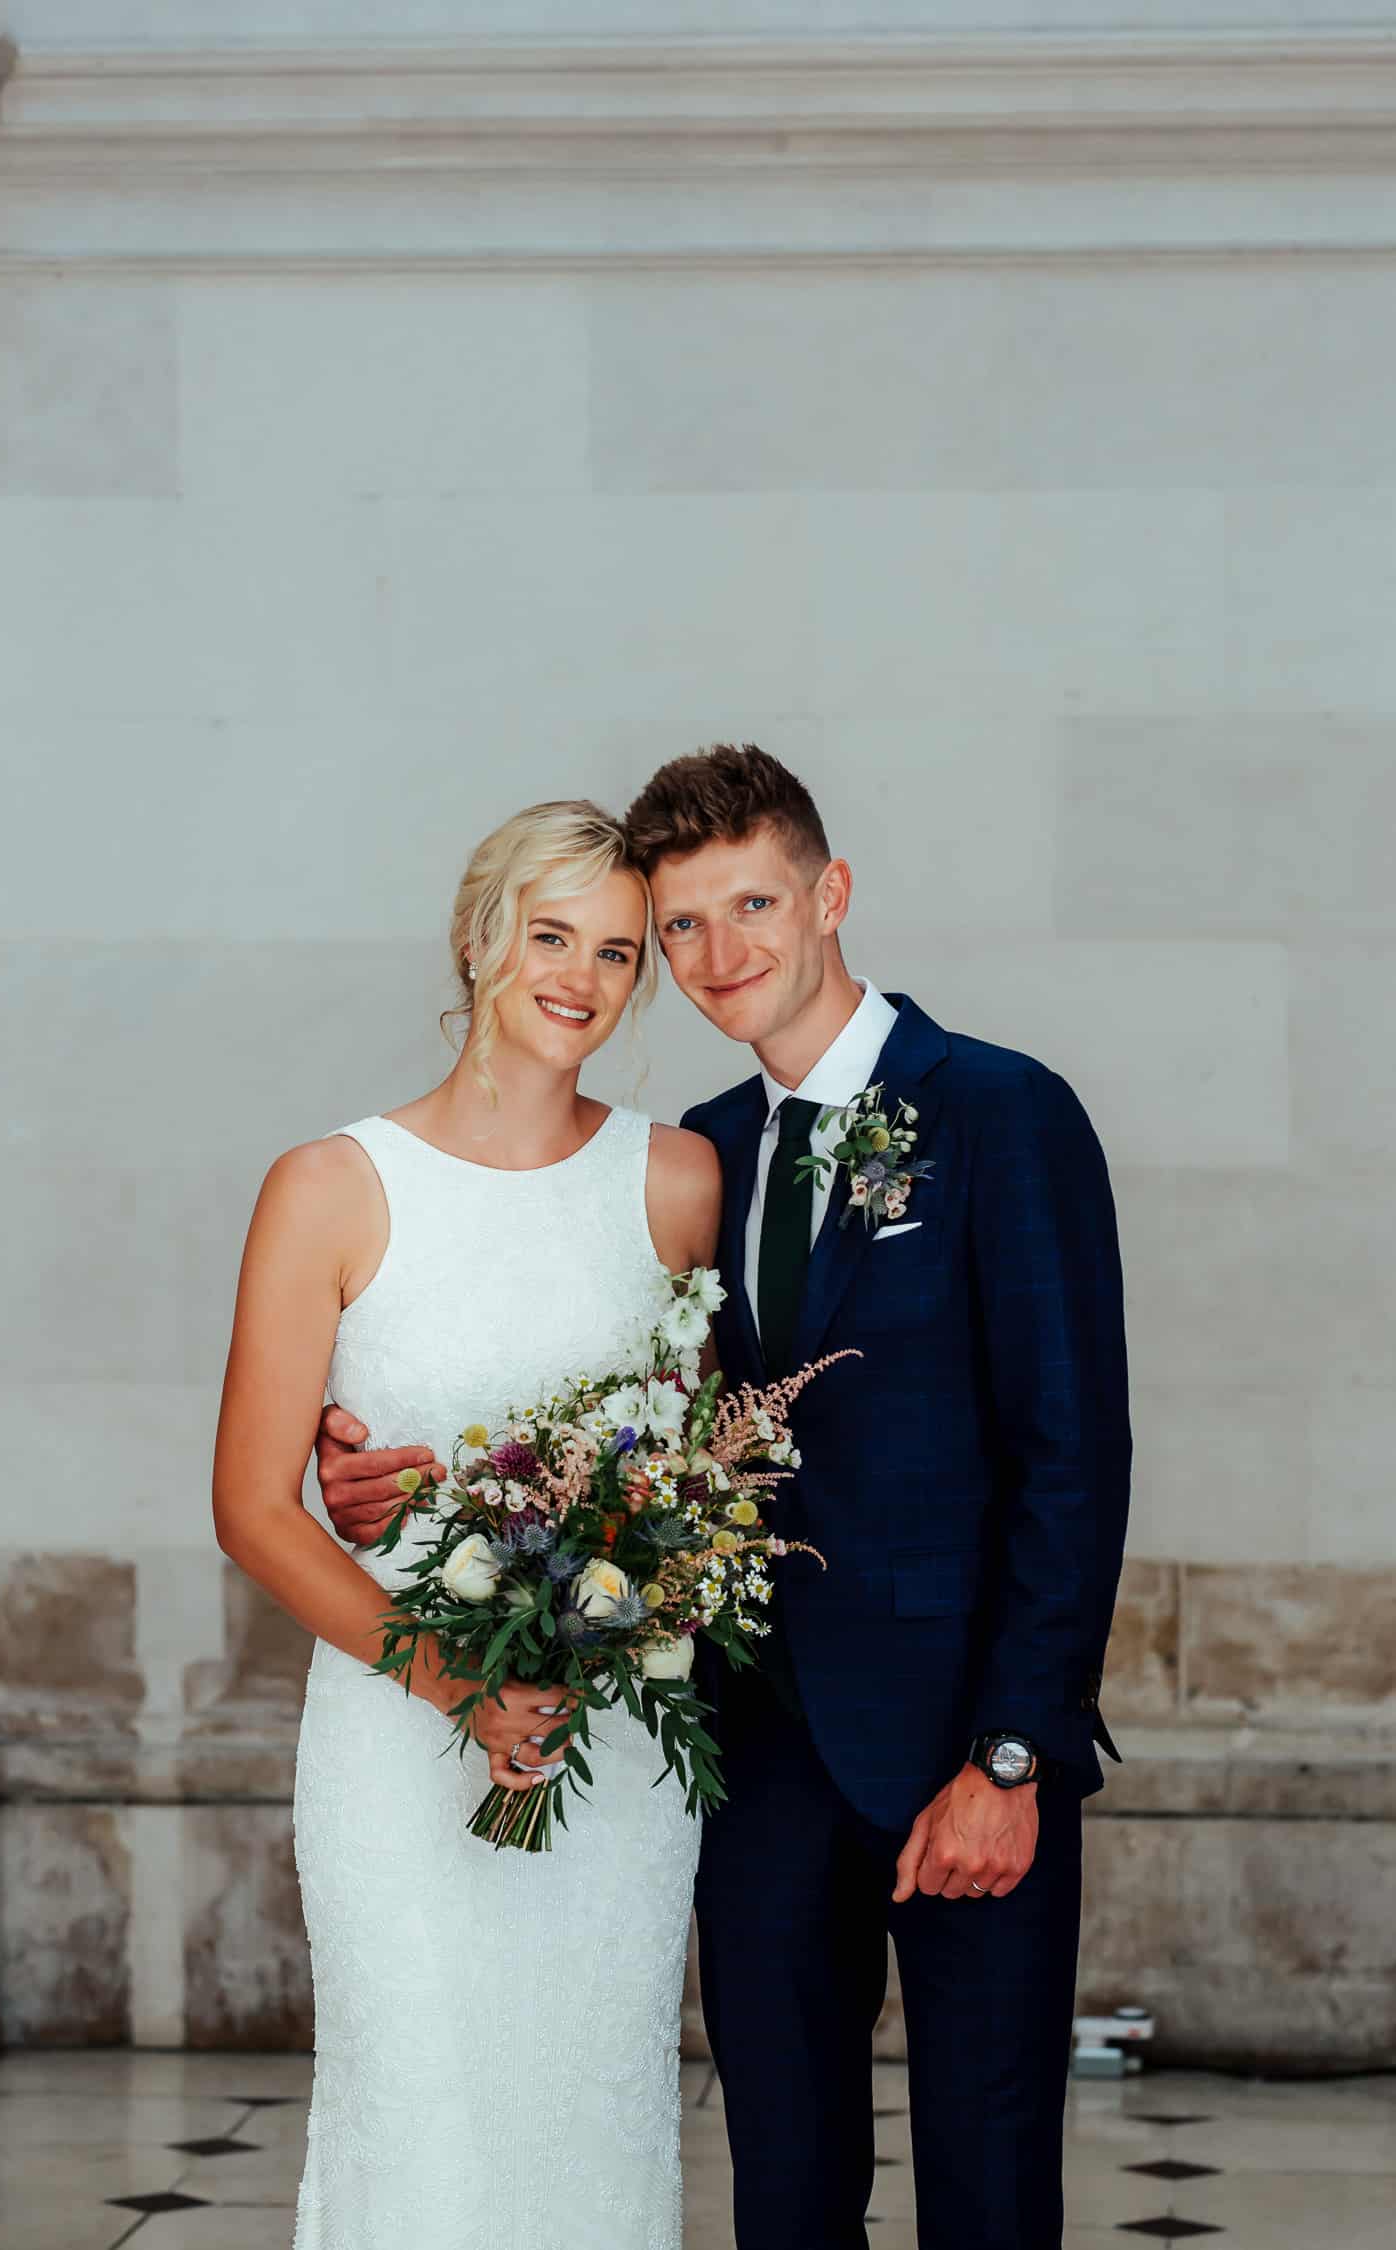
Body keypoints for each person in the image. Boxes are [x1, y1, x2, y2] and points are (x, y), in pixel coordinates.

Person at [321, 745, 1131, 2250]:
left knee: (989, 2176)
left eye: (752, 903)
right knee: (786, 2185)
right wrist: (381, 1461)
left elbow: (1071, 1456)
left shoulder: (1001, 1113)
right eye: (680, 925)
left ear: (830, 894)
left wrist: (1013, 1754)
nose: (719, 953)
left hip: (964, 1753)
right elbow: (613, 1419)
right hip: (751, 1762)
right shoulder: (707, 1150)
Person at [213, 799, 720, 2250]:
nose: (582, 975)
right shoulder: (330, 1187)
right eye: (551, 933)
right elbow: (253, 1505)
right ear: (480, 937)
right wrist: (458, 1681)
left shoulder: (678, 1184)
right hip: (397, 1746)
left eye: (619, 951)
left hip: (613, 1756)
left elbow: (721, 1470)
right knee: (422, 2128)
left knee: (596, 2131)